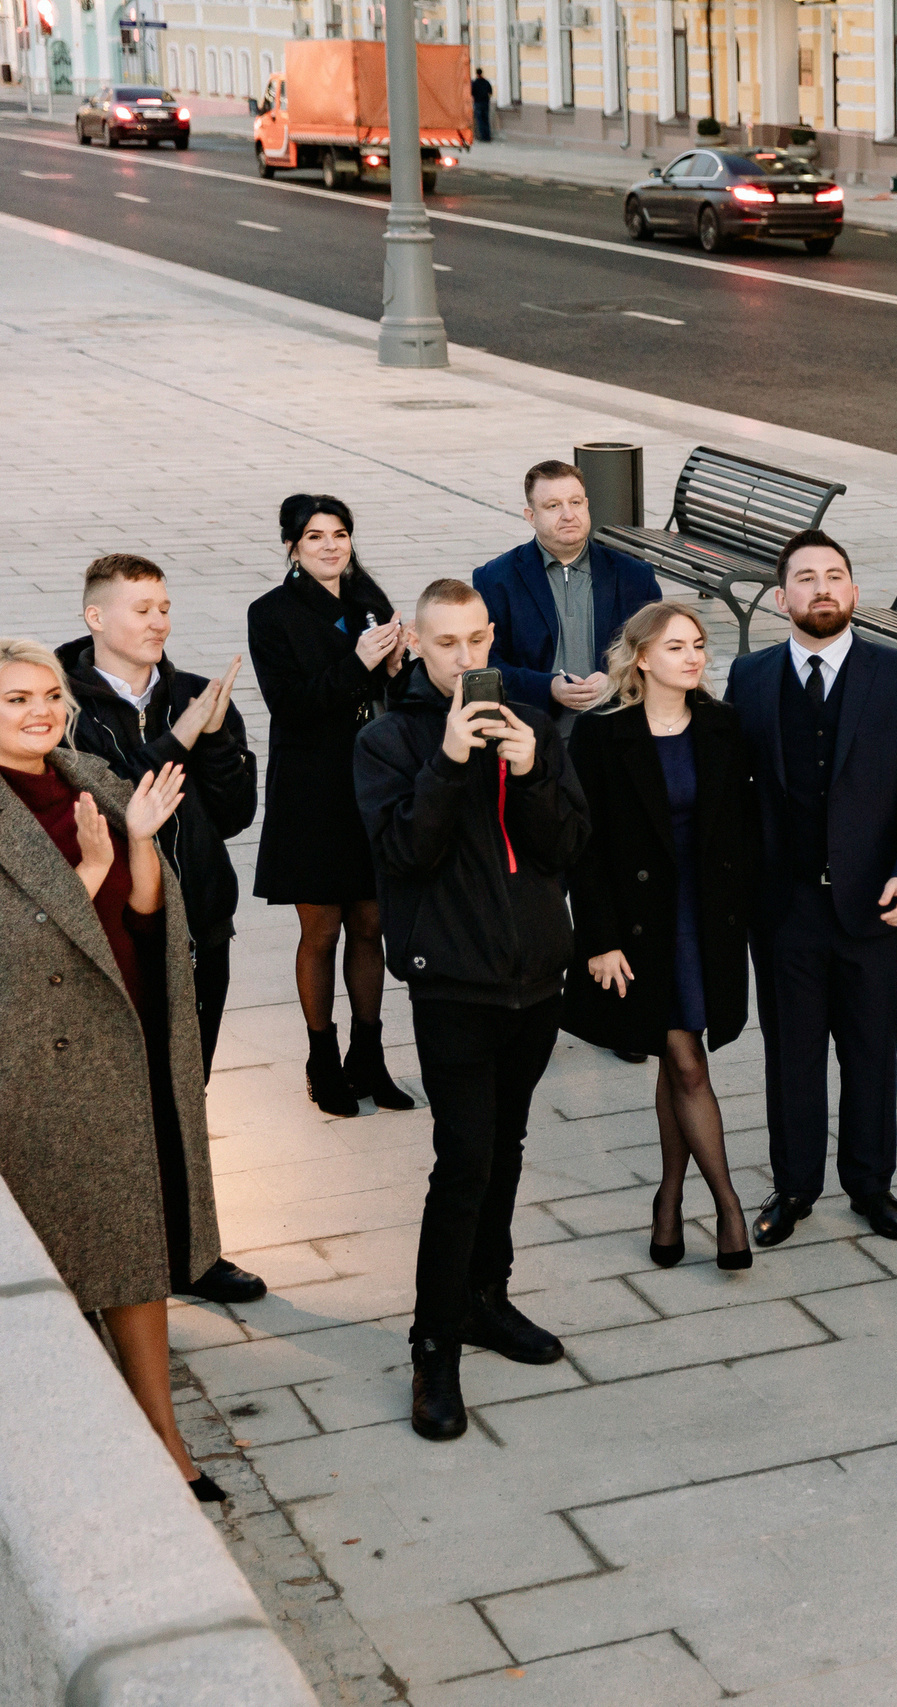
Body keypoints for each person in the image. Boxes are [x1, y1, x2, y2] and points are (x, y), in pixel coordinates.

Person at [356, 581, 588, 1441]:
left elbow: (567, 846)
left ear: (492, 637)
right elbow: (402, 854)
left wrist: (529, 772)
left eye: (475, 641)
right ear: (415, 645)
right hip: (452, 984)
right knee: (464, 1161)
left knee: (509, 1147)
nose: (463, 659)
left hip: (536, 981)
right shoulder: (390, 739)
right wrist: (449, 762)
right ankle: (433, 1344)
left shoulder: (533, 723)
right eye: (444, 643)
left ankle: (487, 1298)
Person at [0, 641, 229, 1504]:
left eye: (49, 693)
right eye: (17, 697)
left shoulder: (89, 775)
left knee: (134, 1247)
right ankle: (71, 1440)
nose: (40, 710)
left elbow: (142, 916)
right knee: (61, 1266)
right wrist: (84, 872)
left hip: (124, 1033)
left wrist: (133, 846)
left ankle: (164, 1435)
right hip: (33, 1065)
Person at [727, 528, 897, 1247]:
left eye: (834, 576)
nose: (821, 588)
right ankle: (793, 1184)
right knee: (791, 1053)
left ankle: (871, 1183)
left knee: (870, 1047)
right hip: (784, 905)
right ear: (783, 595)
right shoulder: (750, 677)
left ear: (853, 591)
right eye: (805, 578)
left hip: (874, 903)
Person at [59, 554, 267, 1308]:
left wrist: (209, 735)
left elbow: (237, 810)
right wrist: (184, 732)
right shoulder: (60, 703)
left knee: (187, 1090)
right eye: (141, 608)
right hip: (109, 932)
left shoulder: (195, 695)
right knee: (112, 1100)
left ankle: (190, 1252)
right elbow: (113, 804)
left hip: (200, 928)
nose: (159, 621)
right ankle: (111, 1257)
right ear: (96, 618)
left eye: (166, 607)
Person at [563, 603, 761, 1272]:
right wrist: (598, 938)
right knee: (683, 1059)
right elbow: (580, 848)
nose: (693, 656)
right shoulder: (600, 736)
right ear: (641, 657)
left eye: (699, 645)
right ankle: (728, 1205)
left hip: (706, 922)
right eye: (676, 645)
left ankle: (669, 1196)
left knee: (681, 1055)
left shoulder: (723, 726)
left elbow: (743, 828)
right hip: (642, 926)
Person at [247, 493, 414, 1118]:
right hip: (312, 789)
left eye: (339, 533)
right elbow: (289, 704)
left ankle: (368, 1057)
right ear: (292, 545)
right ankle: (323, 1058)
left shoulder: (368, 599)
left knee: (371, 923)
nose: (329, 545)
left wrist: (399, 664)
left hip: (373, 783)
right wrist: (359, 662)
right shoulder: (270, 613)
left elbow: (394, 694)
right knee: (321, 929)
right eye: (314, 536)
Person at [470, 460, 664, 734]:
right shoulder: (495, 579)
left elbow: (659, 653)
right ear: (530, 516)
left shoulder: (634, 576)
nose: (568, 515)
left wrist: (615, 681)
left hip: (617, 728)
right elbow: (486, 662)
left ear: (587, 505)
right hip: (533, 732)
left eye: (575, 503)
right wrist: (548, 687)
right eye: (553, 506)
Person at [470, 68, 493, 142]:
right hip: (485, 103)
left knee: (480, 120)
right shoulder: (486, 82)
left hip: (478, 103)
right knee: (486, 120)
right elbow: (490, 92)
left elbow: (472, 93)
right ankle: (488, 136)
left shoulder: (475, 83)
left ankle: (482, 137)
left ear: (477, 74)